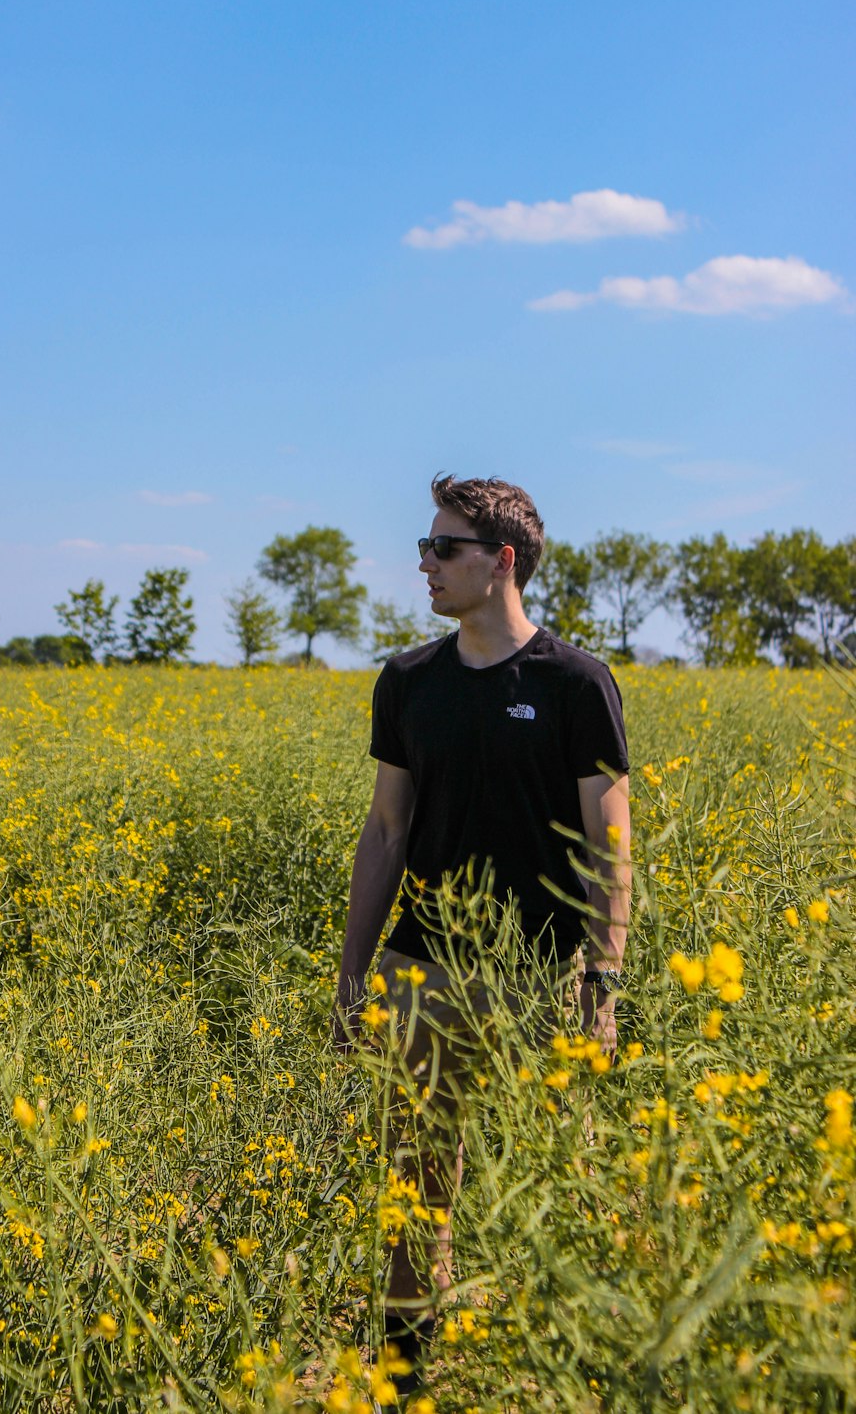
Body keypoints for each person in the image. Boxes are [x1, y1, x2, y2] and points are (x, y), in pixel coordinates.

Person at [333, 474, 631, 1396]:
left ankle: (552, 1369)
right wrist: (353, 972)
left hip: (544, 978)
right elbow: (386, 829)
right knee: (414, 1186)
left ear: (502, 562)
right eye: (425, 547)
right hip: (423, 970)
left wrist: (602, 984)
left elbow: (608, 846)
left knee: (558, 1175)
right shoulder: (408, 681)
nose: (424, 563)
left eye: (443, 549)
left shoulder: (576, 683)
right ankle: (406, 1374)